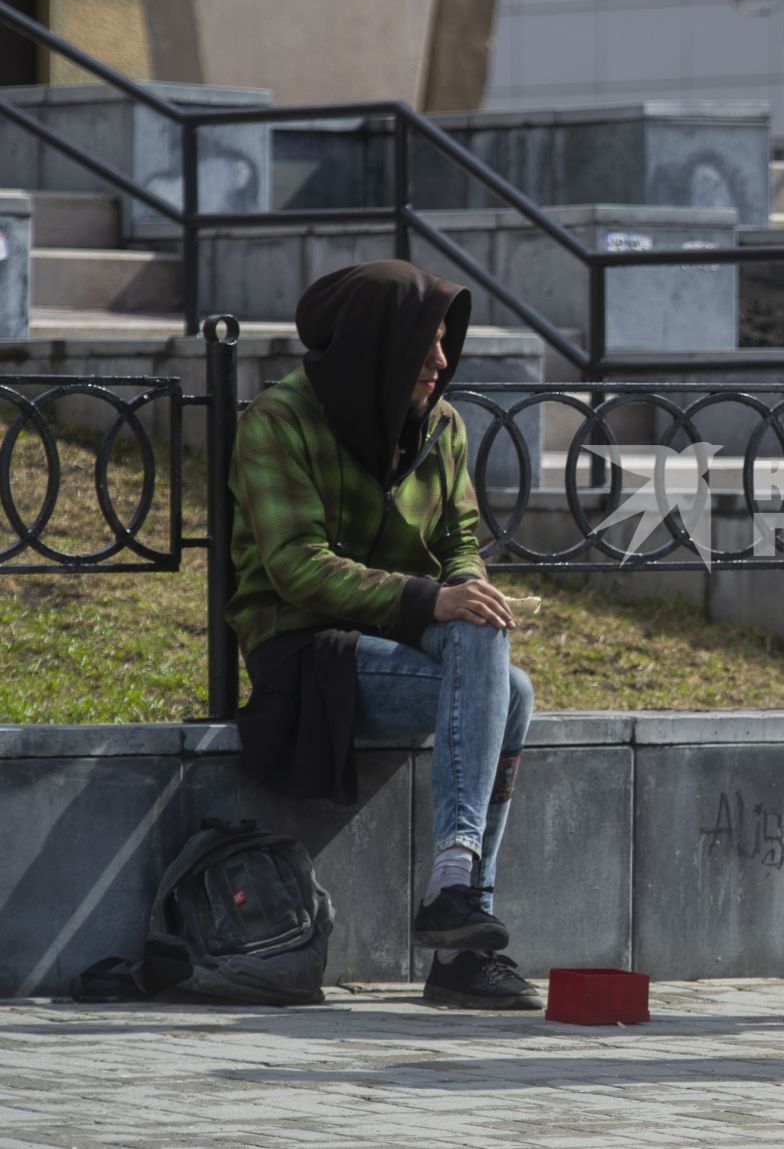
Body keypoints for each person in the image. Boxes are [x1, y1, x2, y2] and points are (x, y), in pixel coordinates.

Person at [226, 259, 541, 1011]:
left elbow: (462, 537)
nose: (441, 360)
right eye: (425, 344)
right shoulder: (279, 420)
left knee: (497, 655)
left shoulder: (443, 427)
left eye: (443, 343)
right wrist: (431, 597)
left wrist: (466, 587)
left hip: (399, 633)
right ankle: (460, 914)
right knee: (510, 689)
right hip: (307, 650)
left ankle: (456, 897)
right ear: (377, 347)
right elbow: (298, 568)